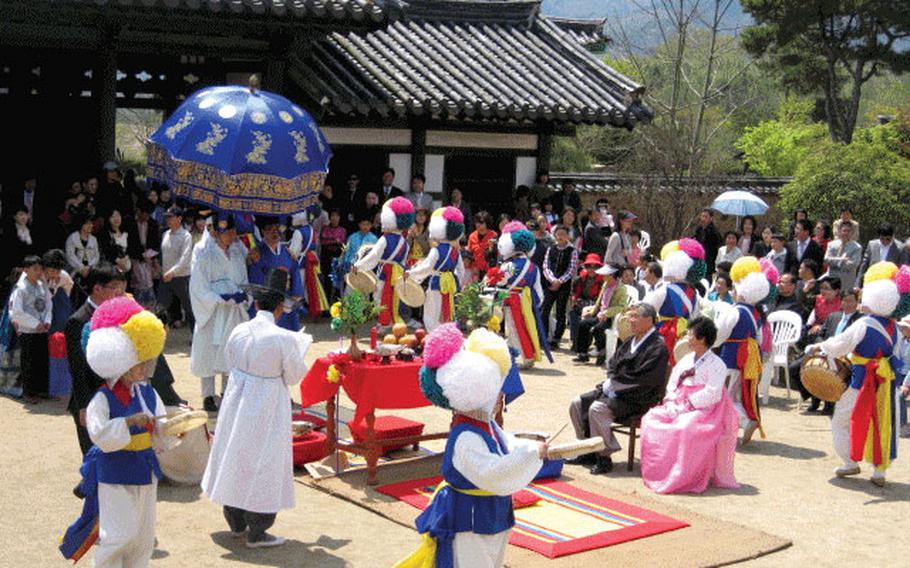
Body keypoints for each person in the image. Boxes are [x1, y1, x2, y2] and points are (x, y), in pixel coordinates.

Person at [397, 325, 545, 568]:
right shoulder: (466, 437)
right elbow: (494, 472)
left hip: (493, 513)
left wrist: (530, 447)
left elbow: (506, 445)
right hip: (471, 518)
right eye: (497, 391)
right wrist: (532, 455)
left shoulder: (484, 426)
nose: (500, 398)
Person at [202, 269, 313, 549]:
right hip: (267, 401)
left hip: (237, 397)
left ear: (256, 305)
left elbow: (230, 360)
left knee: (235, 451)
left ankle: (236, 518)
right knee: (266, 459)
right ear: (278, 308)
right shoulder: (283, 338)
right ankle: (259, 529)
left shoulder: (239, 330)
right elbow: (294, 374)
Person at [59, 296, 169, 566]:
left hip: (144, 466)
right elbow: (99, 434)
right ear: (122, 363)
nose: (144, 367)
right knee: (119, 534)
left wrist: (170, 427)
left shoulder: (148, 391)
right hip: (115, 468)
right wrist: (129, 423)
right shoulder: (103, 398)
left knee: (143, 537)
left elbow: (162, 423)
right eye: (139, 363)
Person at [809, 261, 910, 487]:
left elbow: (839, 345)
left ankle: (849, 461)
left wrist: (818, 347)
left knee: (840, 420)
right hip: (887, 383)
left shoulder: (864, 323)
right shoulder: (894, 326)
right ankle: (879, 471)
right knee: (883, 422)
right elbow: (896, 356)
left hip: (861, 381)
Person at [567, 303, 670, 474]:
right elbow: (614, 363)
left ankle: (604, 456)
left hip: (637, 397)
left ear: (649, 320)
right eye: (631, 316)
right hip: (616, 390)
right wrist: (612, 381)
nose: (631, 320)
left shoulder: (657, 346)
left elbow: (645, 378)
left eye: (635, 316)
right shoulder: (631, 340)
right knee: (577, 403)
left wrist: (616, 385)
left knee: (597, 409)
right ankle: (588, 449)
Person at [640, 317, 739, 494]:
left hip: (705, 410)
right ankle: (660, 472)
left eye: (691, 334)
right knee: (650, 419)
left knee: (685, 428)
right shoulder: (686, 359)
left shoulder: (717, 364)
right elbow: (672, 383)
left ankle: (682, 477)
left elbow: (713, 393)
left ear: (701, 338)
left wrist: (687, 405)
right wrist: (670, 401)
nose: (687, 337)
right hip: (678, 403)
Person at [189, 214, 250, 412]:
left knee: (229, 350)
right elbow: (197, 287)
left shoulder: (238, 255)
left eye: (233, 232)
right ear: (216, 233)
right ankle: (207, 394)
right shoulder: (205, 256)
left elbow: (244, 281)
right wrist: (217, 298)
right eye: (227, 233)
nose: (231, 236)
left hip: (232, 310)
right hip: (213, 311)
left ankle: (227, 391)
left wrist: (242, 296)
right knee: (208, 351)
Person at [716, 256, 778, 445]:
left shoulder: (733, 311)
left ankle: (745, 420)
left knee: (724, 394)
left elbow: (720, 333)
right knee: (735, 393)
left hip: (729, 356)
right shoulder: (756, 314)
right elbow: (759, 339)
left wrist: (711, 344)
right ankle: (738, 423)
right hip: (747, 357)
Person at [66, 264, 127, 456]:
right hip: (90, 396)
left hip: (114, 392)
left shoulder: (118, 312)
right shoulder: (79, 320)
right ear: (97, 289)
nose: (119, 292)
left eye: (120, 286)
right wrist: (84, 405)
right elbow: (77, 368)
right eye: (114, 287)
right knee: (94, 454)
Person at [485, 221, 551, 368]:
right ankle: (520, 354)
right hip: (526, 302)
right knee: (526, 327)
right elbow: (539, 291)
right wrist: (534, 303)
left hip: (512, 300)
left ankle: (526, 357)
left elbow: (500, 282)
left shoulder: (508, 266)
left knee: (514, 328)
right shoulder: (534, 267)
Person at [788, 289, 860, 413]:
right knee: (794, 368)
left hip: (843, 355)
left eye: (851, 301)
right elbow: (821, 334)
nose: (848, 304)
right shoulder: (833, 316)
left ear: (856, 302)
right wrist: (821, 344)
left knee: (831, 371)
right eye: (845, 301)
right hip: (823, 350)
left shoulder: (860, 320)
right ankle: (813, 396)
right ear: (841, 302)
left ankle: (829, 402)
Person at [352, 196, 415, 327]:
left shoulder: (385, 238)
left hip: (385, 271)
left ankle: (383, 324)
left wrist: (358, 265)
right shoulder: (405, 242)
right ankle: (392, 322)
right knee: (394, 298)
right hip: (397, 273)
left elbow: (374, 256)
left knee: (379, 296)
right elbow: (404, 261)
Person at [644, 238, 705, 366]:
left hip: (665, 333)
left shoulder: (665, 290)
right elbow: (696, 316)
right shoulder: (693, 293)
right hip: (685, 334)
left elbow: (646, 308)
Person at [406, 207, 466, 332]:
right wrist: (456, 282)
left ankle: (434, 336)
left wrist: (410, 273)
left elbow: (426, 267)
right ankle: (447, 334)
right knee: (447, 310)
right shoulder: (456, 251)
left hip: (436, 282)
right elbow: (461, 270)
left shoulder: (436, 250)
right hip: (450, 283)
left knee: (431, 312)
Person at [247, 216, 304, 331]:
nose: (275, 232)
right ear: (263, 231)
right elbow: (256, 283)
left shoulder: (288, 253)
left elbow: (295, 278)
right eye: (270, 229)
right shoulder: (257, 254)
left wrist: (295, 296)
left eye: (278, 228)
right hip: (266, 307)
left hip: (287, 305)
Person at [9, 255, 52, 403]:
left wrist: (47, 321)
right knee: (29, 362)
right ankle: (29, 392)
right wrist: (35, 324)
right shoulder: (20, 289)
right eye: (35, 269)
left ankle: (42, 390)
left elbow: (48, 304)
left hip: (42, 329)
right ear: (26, 270)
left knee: (42, 360)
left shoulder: (42, 285)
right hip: (28, 331)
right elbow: (16, 312)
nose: (39, 272)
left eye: (40, 268)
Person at [572, 263, 628, 365]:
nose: (602, 276)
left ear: (611, 275)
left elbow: (622, 306)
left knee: (598, 329)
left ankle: (601, 349)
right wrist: (592, 312)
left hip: (611, 317)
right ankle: (583, 353)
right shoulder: (605, 284)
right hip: (600, 314)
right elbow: (600, 301)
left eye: (605, 274)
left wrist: (607, 313)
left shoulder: (621, 288)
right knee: (583, 324)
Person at [540, 224, 579, 349]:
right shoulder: (551, 248)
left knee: (560, 312)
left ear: (567, 236)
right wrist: (552, 279)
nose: (561, 236)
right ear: (555, 235)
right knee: (545, 310)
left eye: (563, 234)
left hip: (563, 286)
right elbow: (545, 265)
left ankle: (556, 339)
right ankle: (544, 336)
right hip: (550, 284)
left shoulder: (572, 250)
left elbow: (572, 269)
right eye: (558, 234)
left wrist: (559, 281)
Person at [288, 210, 329, 319]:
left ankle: (299, 313)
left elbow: (294, 251)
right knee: (310, 287)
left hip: (301, 263)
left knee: (298, 287)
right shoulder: (311, 230)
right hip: (311, 261)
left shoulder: (298, 232)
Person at [158, 206, 195, 328]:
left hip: (181, 277)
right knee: (161, 307)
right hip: (165, 277)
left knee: (189, 308)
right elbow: (162, 255)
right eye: (167, 217)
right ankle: (158, 335)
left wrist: (172, 272)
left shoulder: (186, 236)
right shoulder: (165, 234)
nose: (168, 220)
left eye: (171, 217)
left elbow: (185, 259)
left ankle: (196, 336)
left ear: (179, 218)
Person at [568, 254, 605, 351]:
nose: (592, 269)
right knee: (573, 313)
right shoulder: (579, 279)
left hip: (597, 306)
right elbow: (574, 293)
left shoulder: (603, 281)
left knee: (587, 316)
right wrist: (574, 301)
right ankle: (575, 341)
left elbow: (602, 298)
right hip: (582, 303)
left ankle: (585, 343)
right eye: (589, 266)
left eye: (595, 266)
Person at [42, 249, 75, 333]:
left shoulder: (63, 275)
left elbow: (69, 287)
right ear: (45, 267)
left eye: (58, 271)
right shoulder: (34, 275)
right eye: (52, 270)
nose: (56, 274)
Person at [825, 222, 862, 292]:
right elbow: (826, 260)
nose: (846, 233)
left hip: (847, 282)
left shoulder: (857, 247)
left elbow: (853, 264)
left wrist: (833, 262)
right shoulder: (831, 245)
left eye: (849, 231)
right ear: (839, 232)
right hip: (831, 281)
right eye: (844, 230)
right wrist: (841, 259)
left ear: (852, 233)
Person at [467, 211, 497, 280]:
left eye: (481, 223)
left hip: (489, 271)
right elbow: (469, 254)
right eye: (476, 223)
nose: (478, 225)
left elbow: (495, 255)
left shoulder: (493, 235)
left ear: (487, 223)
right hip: (475, 271)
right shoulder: (472, 236)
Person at [693, 208, 722, 277]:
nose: (703, 219)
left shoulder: (714, 232)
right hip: (699, 259)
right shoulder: (699, 229)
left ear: (711, 218)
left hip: (709, 261)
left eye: (706, 217)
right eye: (702, 216)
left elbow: (716, 248)